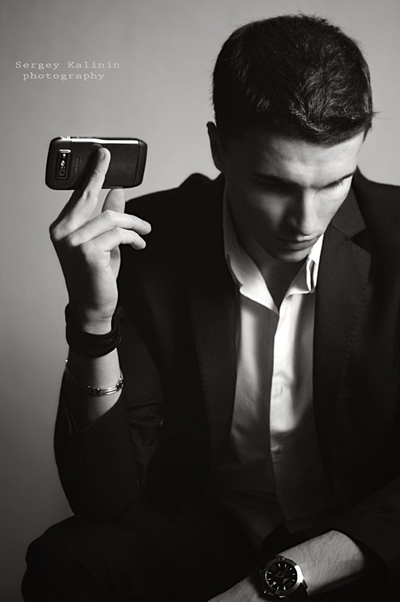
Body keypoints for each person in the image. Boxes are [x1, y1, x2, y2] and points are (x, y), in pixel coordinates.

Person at [22, 14, 400, 601]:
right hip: (214, 525)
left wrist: (271, 585)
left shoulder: (395, 234)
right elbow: (104, 498)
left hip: (360, 536)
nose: (305, 222)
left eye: (333, 183)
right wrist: (93, 322)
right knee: (67, 561)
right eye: (275, 185)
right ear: (219, 147)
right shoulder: (146, 242)